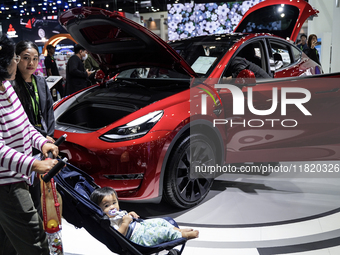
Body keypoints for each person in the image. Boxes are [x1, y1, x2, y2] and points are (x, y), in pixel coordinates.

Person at [0, 34, 59, 255]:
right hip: (7, 184)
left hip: (18, 177)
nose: (18, 62)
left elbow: (26, 125)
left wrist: (42, 142)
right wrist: (34, 165)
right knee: (35, 241)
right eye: (15, 58)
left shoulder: (6, 88)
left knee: (7, 241)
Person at [12, 40, 56, 217]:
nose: (31, 63)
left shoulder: (40, 81)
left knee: (41, 190)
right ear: (17, 59)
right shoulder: (11, 86)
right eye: (26, 58)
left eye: (35, 59)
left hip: (43, 141)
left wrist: (49, 136)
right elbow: (20, 122)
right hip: (24, 145)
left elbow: (48, 111)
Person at [90, 187, 199, 246]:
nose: (112, 207)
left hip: (138, 226)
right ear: (98, 208)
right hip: (136, 237)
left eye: (114, 202)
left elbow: (124, 216)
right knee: (160, 232)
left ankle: (178, 231)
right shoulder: (108, 221)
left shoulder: (116, 213)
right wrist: (125, 223)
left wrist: (129, 214)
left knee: (161, 222)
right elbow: (118, 235)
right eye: (107, 205)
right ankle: (184, 235)